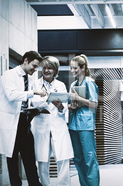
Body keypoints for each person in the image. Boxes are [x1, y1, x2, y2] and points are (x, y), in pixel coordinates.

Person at [0, 51, 46, 186]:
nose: (35, 70)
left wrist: (44, 103)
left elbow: (27, 100)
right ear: (25, 61)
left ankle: (35, 184)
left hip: (24, 121)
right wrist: (33, 92)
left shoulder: (28, 78)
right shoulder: (8, 75)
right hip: (11, 123)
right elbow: (12, 95)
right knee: (12, 160)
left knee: (29, 156)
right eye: (34, 66)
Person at [30, 56, 74, 186]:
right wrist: (47, 99)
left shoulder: (60, 85)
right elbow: (33, 101)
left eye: (49, 68)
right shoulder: (35, 84)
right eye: (44, 67)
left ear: (55, 70)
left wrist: (60, 106)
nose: (46, 70)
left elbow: (65, 106)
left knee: (63, 159)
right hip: (41, 125)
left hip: (58, 125)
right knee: (42, 161)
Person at [68, 54, 100, 186]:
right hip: (74, 125)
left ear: (83, 67)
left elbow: (94, 103)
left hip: (86, 125)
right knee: (78, 159)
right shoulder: (74, 84)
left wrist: (78, 99)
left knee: (89, 158)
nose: (73, 71)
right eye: (71, 68)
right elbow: (73, 104)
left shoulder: (89, 82)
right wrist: (71, 105)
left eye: (75, 68)